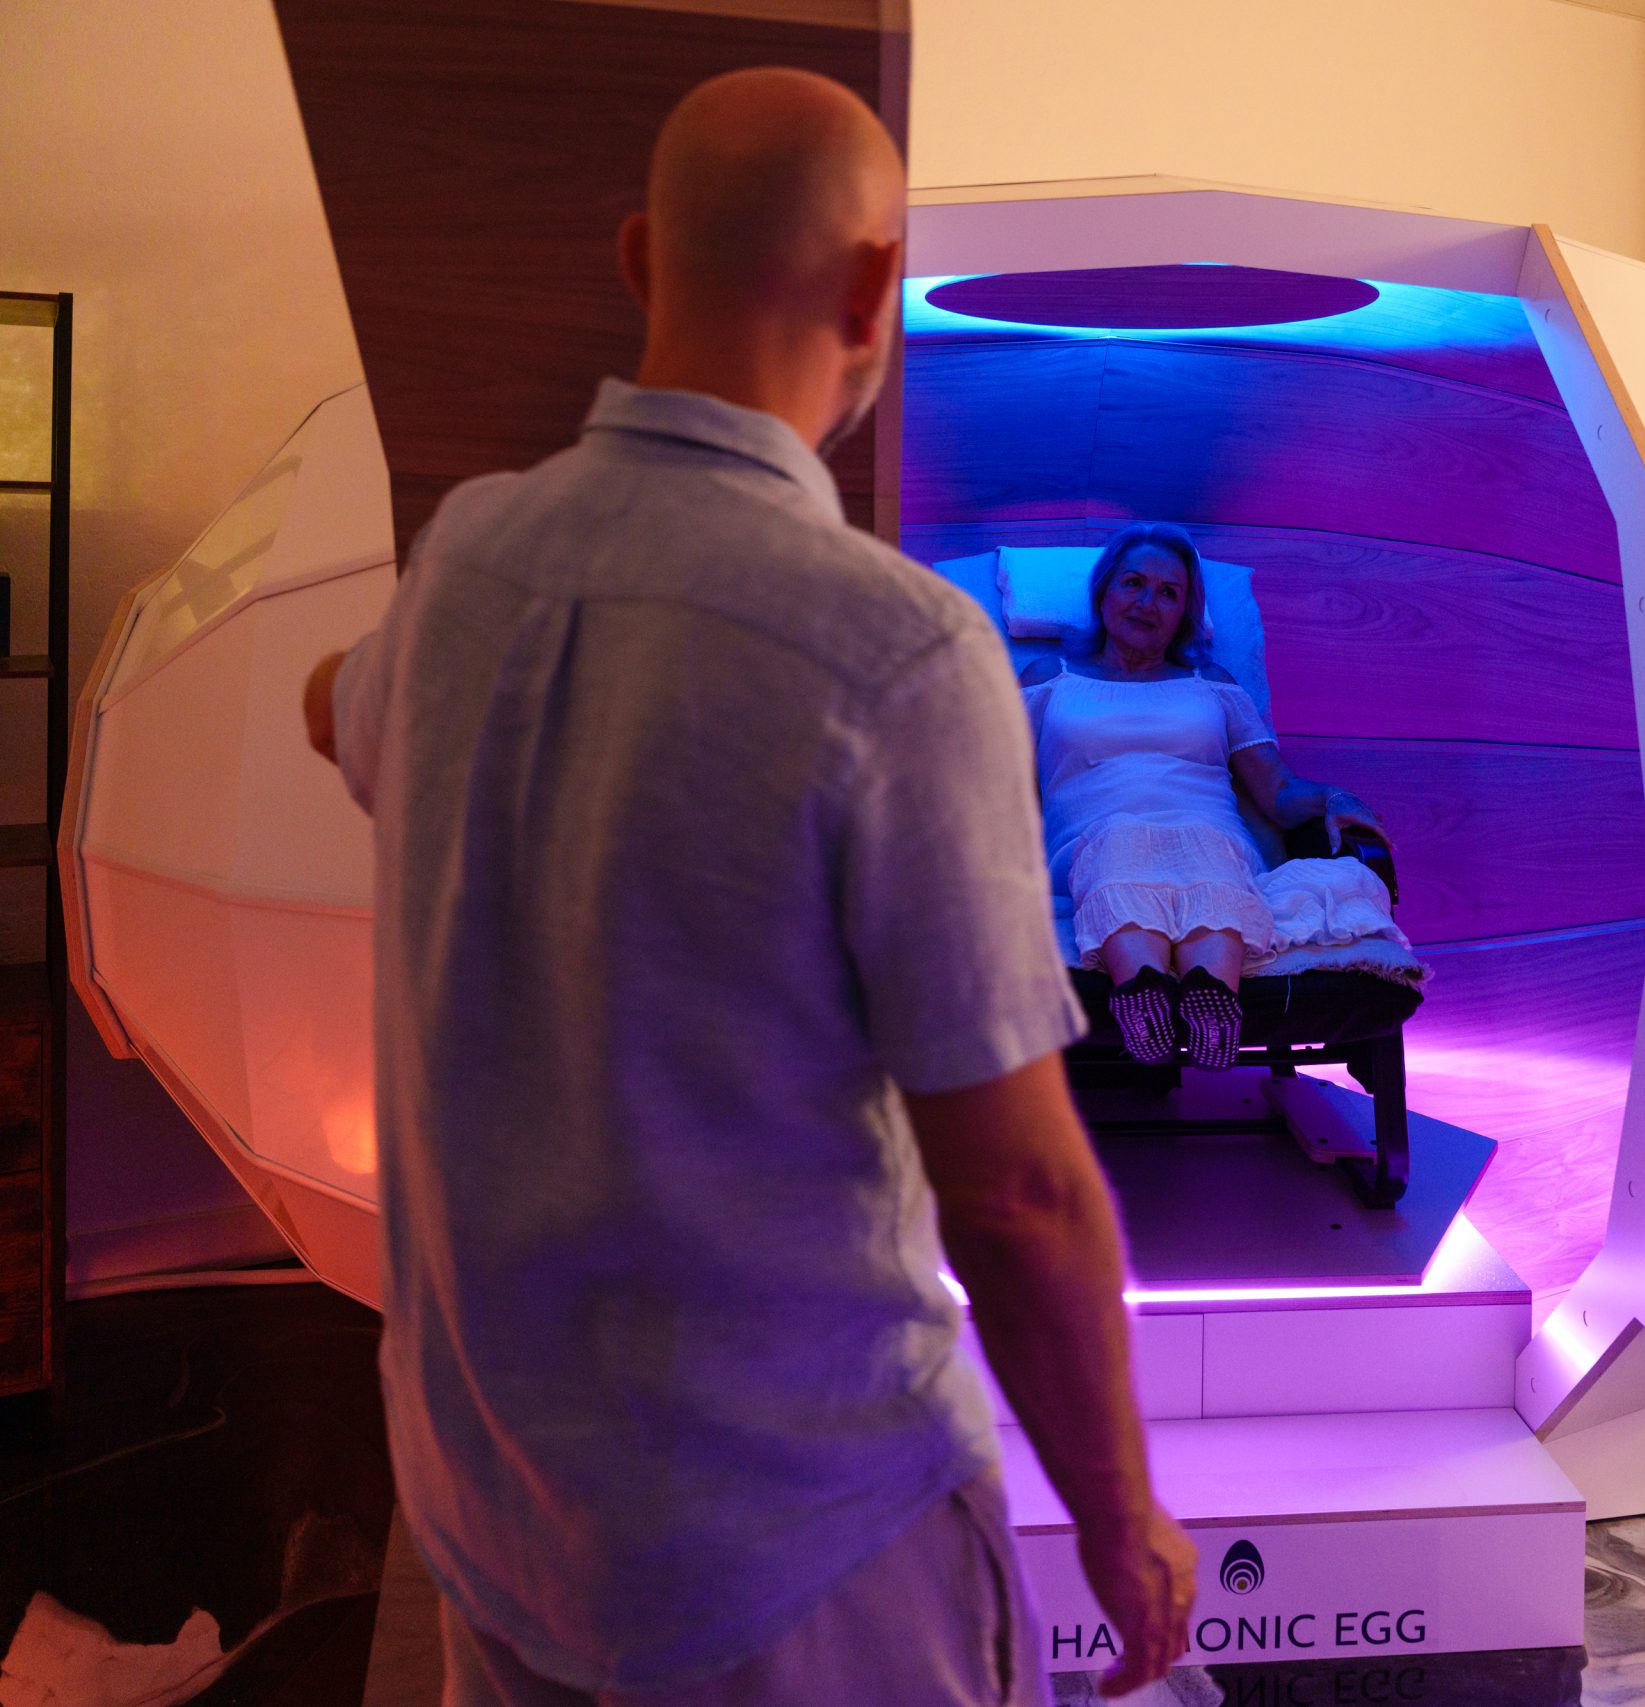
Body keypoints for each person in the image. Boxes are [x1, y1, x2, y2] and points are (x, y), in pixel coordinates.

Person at [300, 68, 1193, 1707]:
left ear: (642, 260)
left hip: (495, 1518)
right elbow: (1016, 1195)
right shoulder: (900, 653)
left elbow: (327, 707)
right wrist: (1127, 1518)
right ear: (873, 291)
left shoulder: (463, 569)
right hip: (792, 1555)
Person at [1020, 522, 1391, 1072]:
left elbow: (1280, 791)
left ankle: (1205, 994)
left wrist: (1331, 796)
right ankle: (1143, 987)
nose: (1148, 602)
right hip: (1091, 843)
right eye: (1134, 583)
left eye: (1169, 593)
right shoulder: (1052, 677)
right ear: (1104, 592)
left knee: (1211, 847)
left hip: (1210, 842)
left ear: (1184, 614)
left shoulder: (1211, 683)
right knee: (1120, 835)